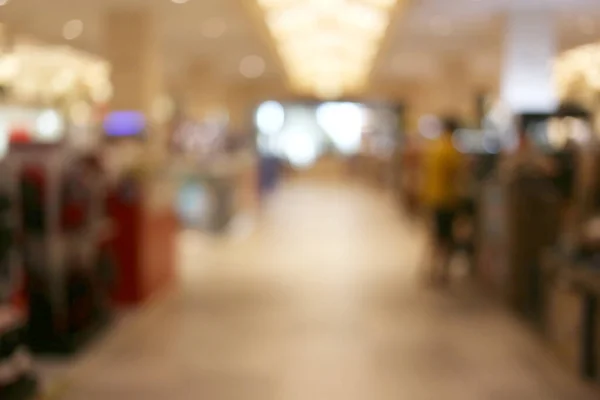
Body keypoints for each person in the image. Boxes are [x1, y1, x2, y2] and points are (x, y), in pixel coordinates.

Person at [421, 117, 464, 283]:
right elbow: (457, 176)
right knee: (445, 238)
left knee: (435, 237)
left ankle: (431, 270)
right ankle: (442, 273)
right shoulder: (451, 150)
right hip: (446, 199)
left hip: (431, 197)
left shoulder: (434, 147)